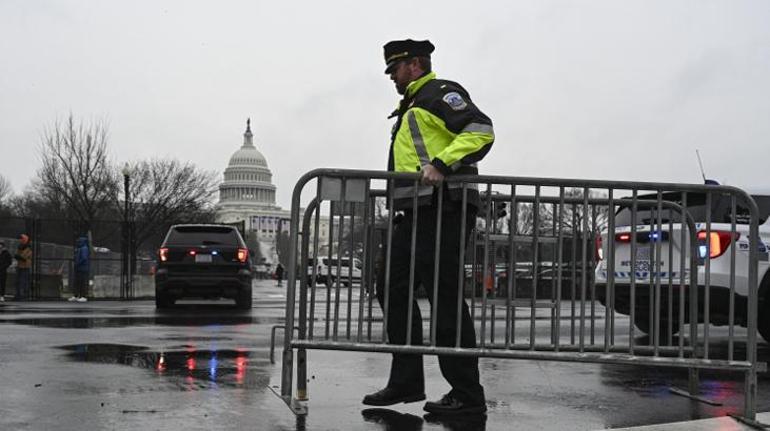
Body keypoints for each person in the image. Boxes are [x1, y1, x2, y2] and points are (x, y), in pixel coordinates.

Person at [363, 39, 494, 416]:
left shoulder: (440, 93)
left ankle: (467, 394)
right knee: (391, 286)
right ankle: (406, 380)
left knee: (444, 296)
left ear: (415, 65)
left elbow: (481, 130)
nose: (391, 76)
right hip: (415, 211)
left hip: (443, 208)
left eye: (395, 69)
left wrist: (441, 163)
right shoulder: (412, 105)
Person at [69, 236, 90, 302]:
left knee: (82, 282)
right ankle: (76, 295)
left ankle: (83, 296)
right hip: (79, 268)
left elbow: (84, 258)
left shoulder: (84, 248)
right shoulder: (80, 248)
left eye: (79, 241)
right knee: (77, 282)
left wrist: (77, 263)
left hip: (82, 268)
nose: (78, 243)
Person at [14, 234, 32, 301]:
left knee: (24, 282)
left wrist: (18, 256)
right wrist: (18, 257)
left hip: (25, 267)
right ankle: (18, 295)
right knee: (17, 282)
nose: (20, 240)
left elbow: (23, 257)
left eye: (21, 239)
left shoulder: (28, 247)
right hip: (19, 266)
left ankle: (24, 296)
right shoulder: (20, 246)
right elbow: (19, 256)